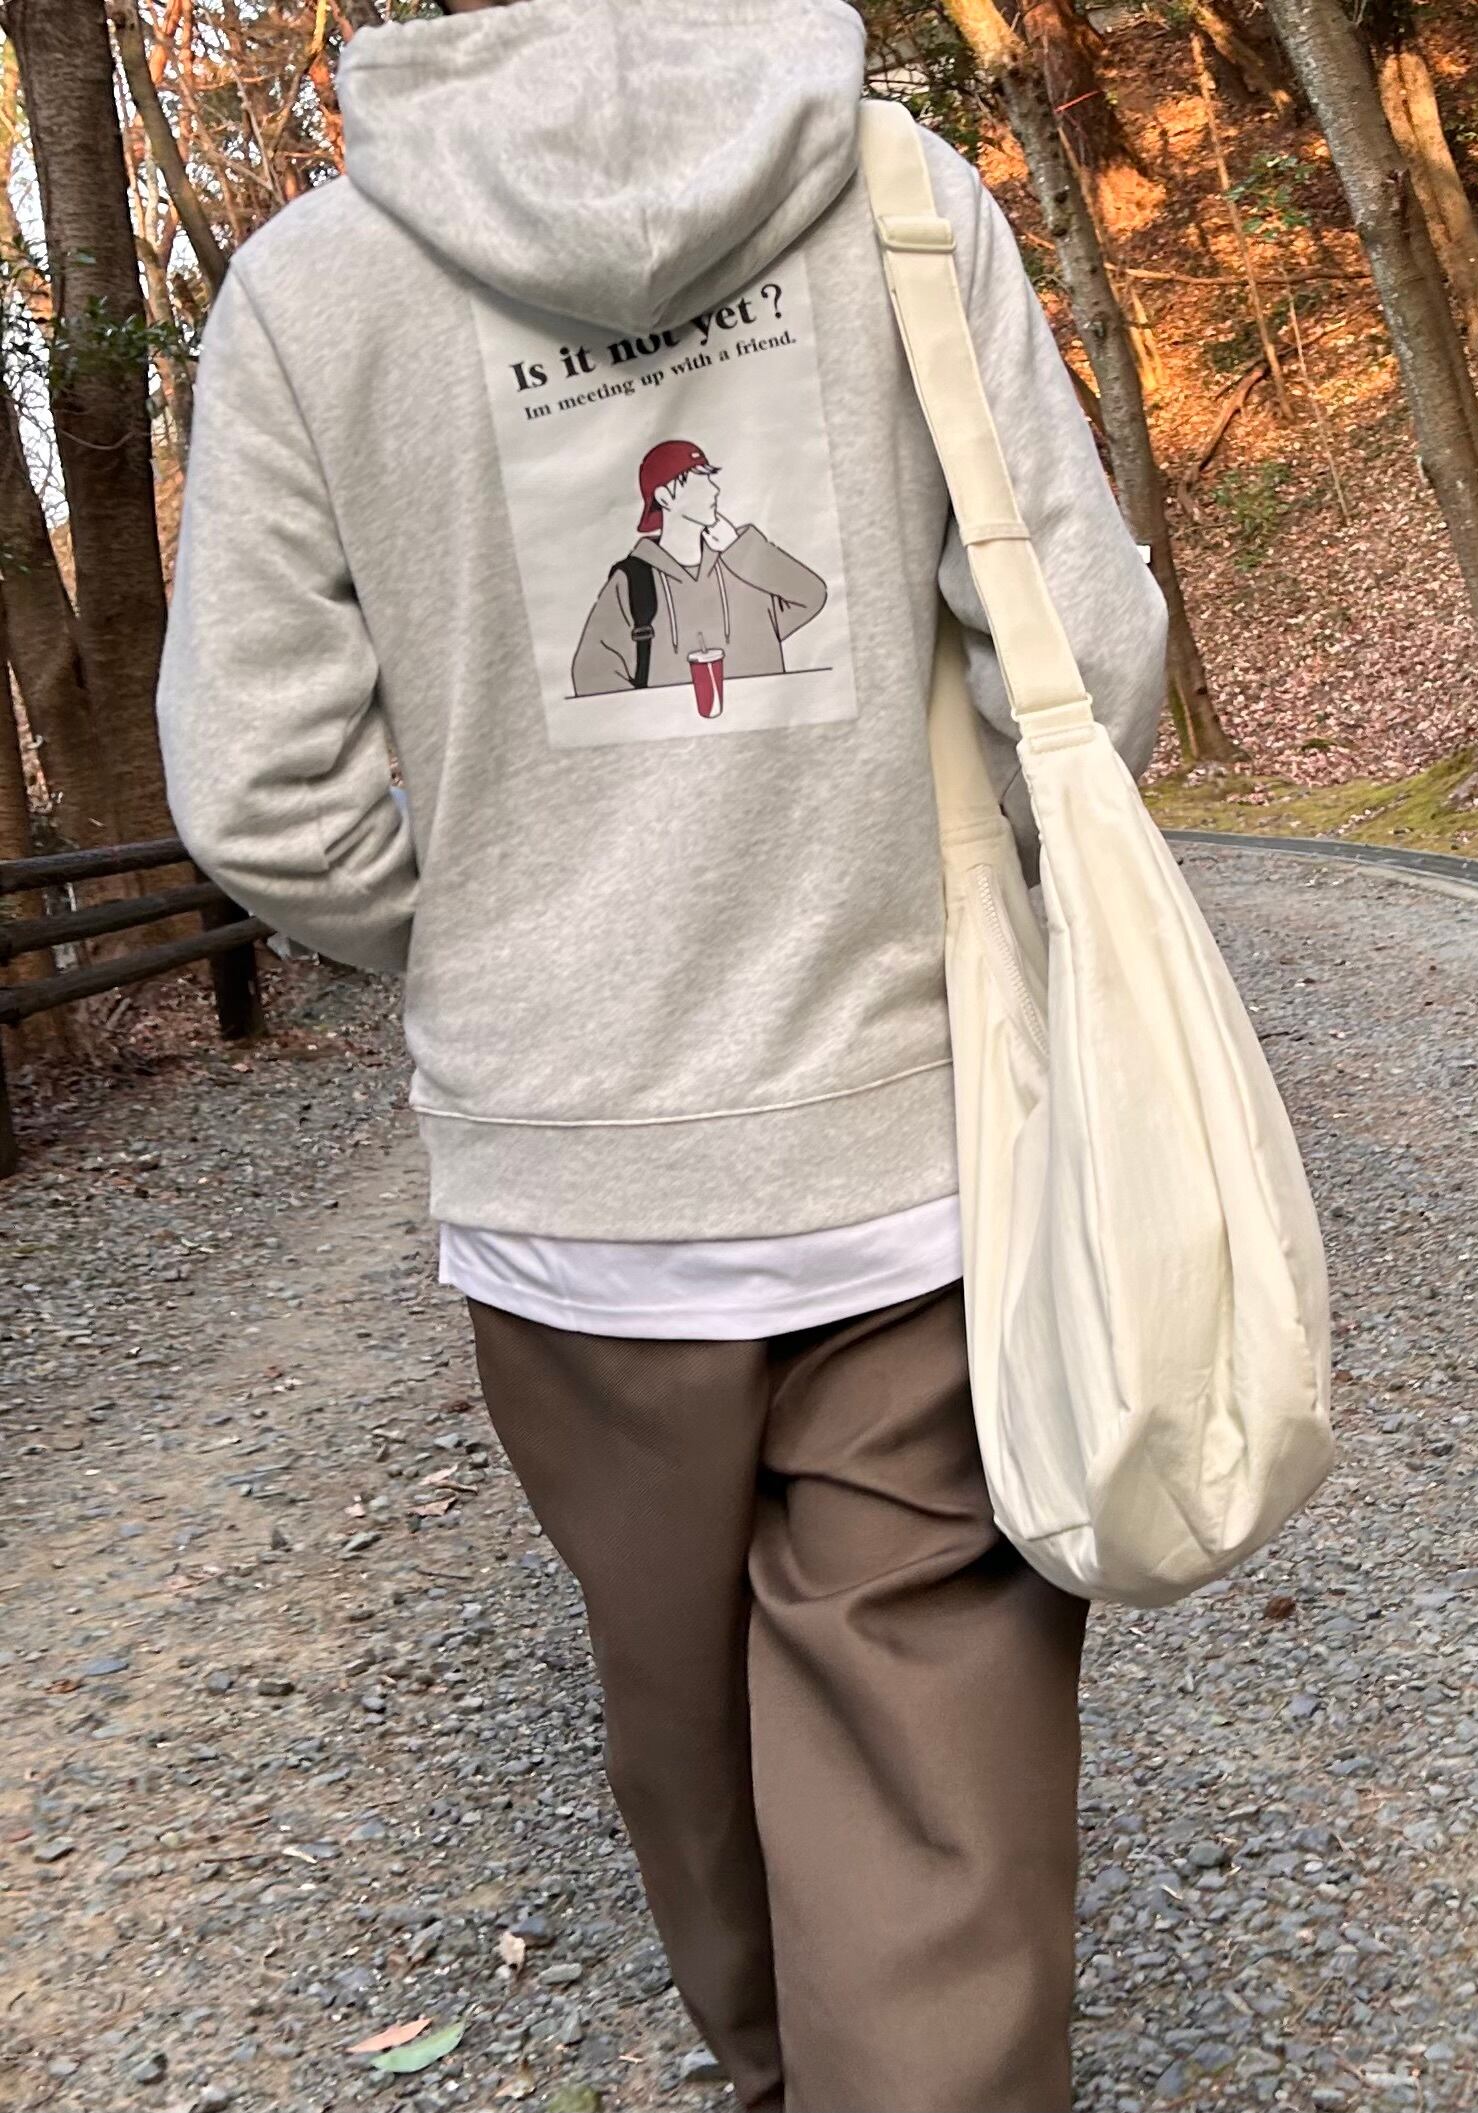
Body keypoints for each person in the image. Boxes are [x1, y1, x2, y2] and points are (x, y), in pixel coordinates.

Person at [156, 2, 1169, 2107]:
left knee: (679, 1703)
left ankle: (786, 2059)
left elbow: (264, 798)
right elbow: (1086, 659)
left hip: (571, 1203)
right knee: (927, 1736)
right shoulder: (897, 198)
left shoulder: (313, 290)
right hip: (915, 1150)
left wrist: (498, 955)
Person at [572, 438, 829, 698]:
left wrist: (740, 549)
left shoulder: (742, 560)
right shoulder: (632, 581)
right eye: (699, 482)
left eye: (710, 479)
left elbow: (811, 595)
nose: (714, 490)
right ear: (665, 497)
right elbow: (592, 674)